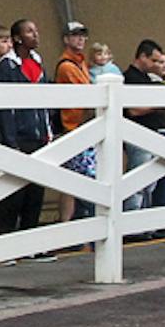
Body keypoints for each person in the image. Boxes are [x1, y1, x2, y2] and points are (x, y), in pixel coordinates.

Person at [0, 19, 50, 235]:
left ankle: (30, 238)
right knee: (14, 193)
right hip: (18, 137)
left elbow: (45, 101)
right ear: (17, 38)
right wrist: (10, 140)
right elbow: (3, 108)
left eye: (36, 30)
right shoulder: (6, 67)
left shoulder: (37, 63)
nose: (35, 35)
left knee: (36, 192)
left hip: (39, 136)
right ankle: (6, 237)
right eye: (29, 31)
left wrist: (47, 131)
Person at [121, 39, 165, 226]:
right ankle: (130, 224)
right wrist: (160, 104)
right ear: (142, 57)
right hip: (137, 135)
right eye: (154, 60)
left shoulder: (148, 79)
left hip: (151, 136)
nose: (157, 65)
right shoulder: (129, 78)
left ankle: (143, 224)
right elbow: (132, 110)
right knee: (136, 182)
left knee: (149, 183)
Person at [53, 20, 96, 222]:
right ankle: (67, 224)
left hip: (82, 128)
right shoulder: (67, 66)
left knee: (77, 180)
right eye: (76, 35)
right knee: (73, 182)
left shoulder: (81, 63)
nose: (80, 39)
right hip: (73, 128)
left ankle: (74, 223)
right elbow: (86, 95)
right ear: (66, 39)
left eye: (82, 35)